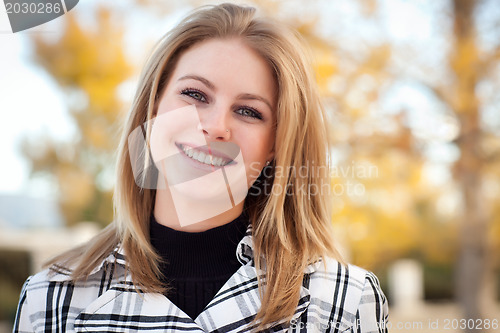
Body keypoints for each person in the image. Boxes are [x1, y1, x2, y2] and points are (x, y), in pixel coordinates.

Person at [13, 3, 388, 332]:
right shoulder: (49, 299)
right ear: (154, 106)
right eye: (194, 94)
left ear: (277, 145)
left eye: (249, 111)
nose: (215, 126)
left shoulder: (346, 302)